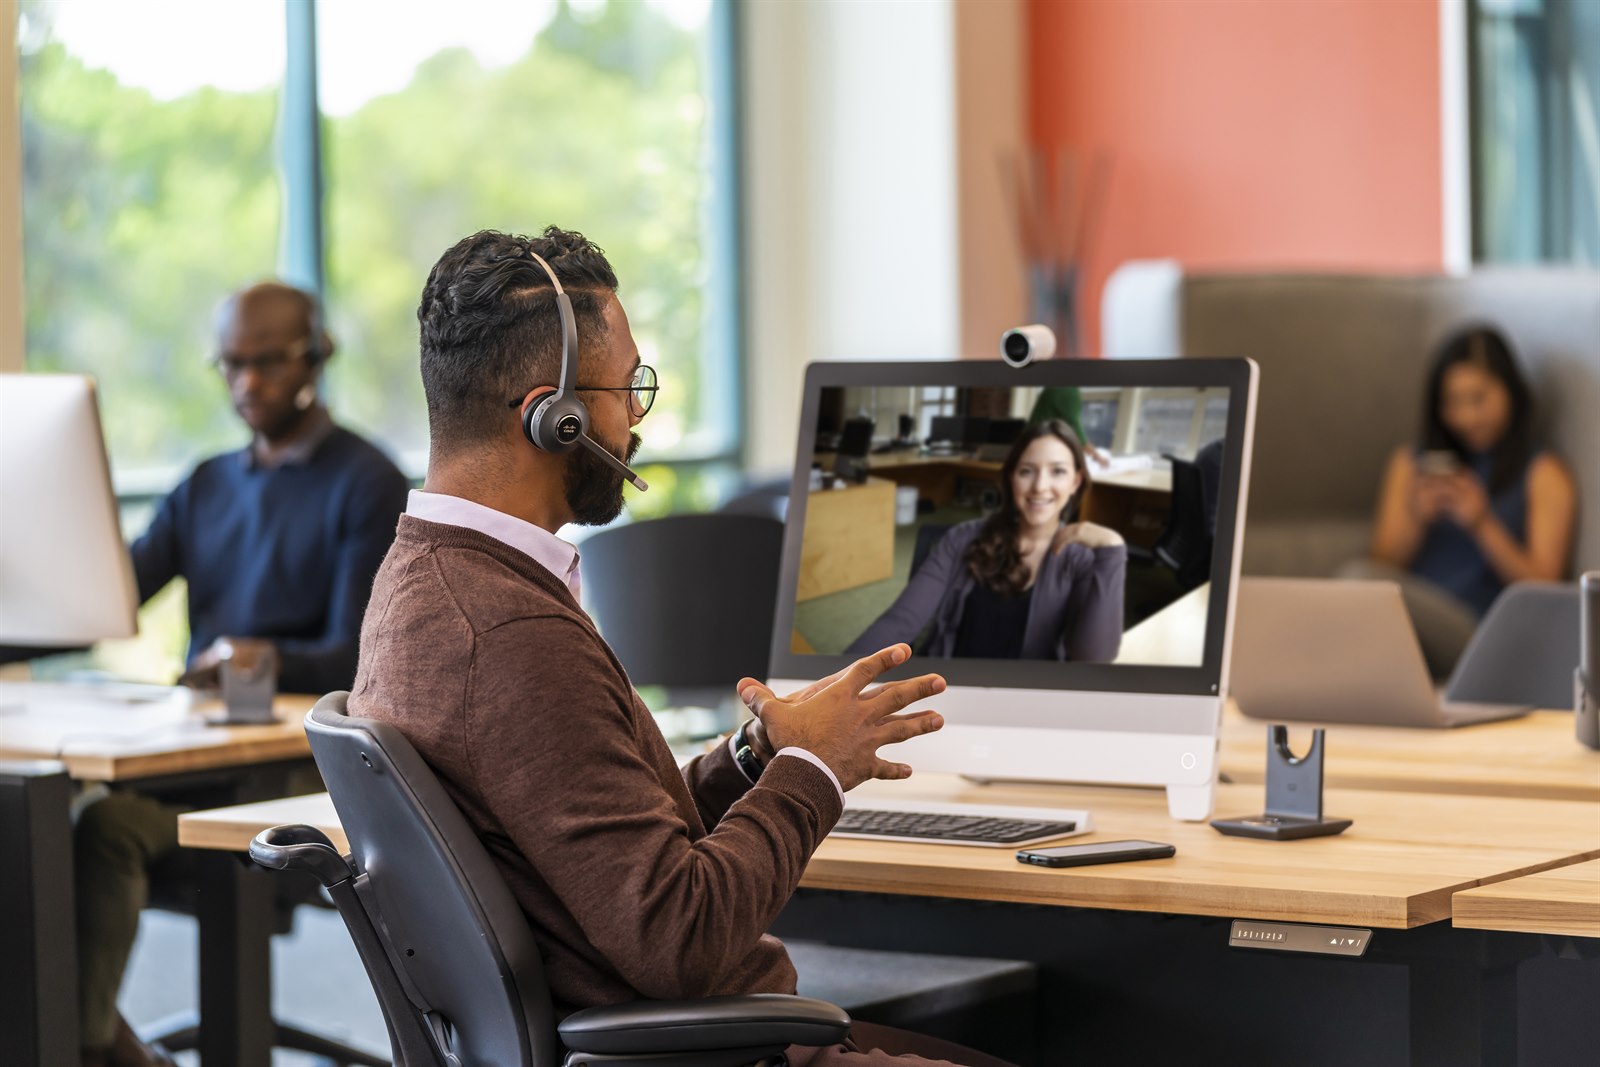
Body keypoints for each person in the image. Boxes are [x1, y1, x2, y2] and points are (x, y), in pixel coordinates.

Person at [350, 227, 1018, 1067]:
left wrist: (758, 751)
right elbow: (680, 935)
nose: (634, 413)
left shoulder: (426, 582)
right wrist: (814, 772)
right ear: (552, 417)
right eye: (625, 387)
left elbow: (599, 846)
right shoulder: (509, 635)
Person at [76, 282, 410, 1067]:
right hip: (196, 757)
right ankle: (94, 1040)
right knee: (37, 826)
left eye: (265, 363)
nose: (246, 384)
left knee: (103, 828)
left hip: (289, 774)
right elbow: (104, 597)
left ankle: (91, 1049)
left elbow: (365, 659)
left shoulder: (365, 481)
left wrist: (263, 658)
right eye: (231, 365)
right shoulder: (206, 485)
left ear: (315, 359)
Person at [1359, 325, 1576, 677]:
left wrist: (1482, 523)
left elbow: (1545, 592)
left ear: (1511, 392)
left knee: (1356, 580)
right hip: (1412, 622)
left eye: (1478, 399)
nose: (1467, 417)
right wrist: (1417, 517)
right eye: (1453, 402)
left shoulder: (1544, 473)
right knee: (1357, 587)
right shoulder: (1410, 464)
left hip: (1481, 633)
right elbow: (1382, 567)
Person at [848, 420, 1127, 661]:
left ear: (1076, 482)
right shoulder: (962, 538)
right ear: (1011, 478)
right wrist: (831, 684)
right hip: (947, 693)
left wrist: (1114, 550)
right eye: (1027, 471)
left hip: (1026, 705)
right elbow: (900, 623)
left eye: (1058, 471)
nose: (1040, 486)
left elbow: (1091, 657)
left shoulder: (1082, 560)